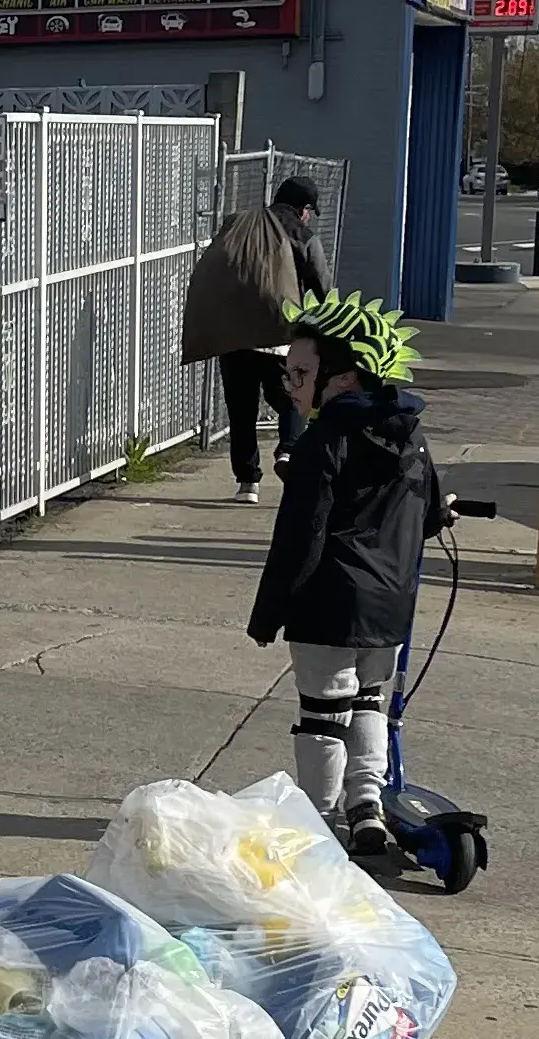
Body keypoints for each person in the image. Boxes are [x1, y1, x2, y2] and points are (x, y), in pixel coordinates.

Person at [247, 289, 441, 865]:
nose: (293, 386)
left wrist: (269, 612)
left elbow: (299, 537)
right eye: (289, 374)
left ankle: (318, 819)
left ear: (345, 376)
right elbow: (430, 515)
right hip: (389, 606)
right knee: (369, 702)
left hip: (328, 600)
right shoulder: (411, 434)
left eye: (302, 372)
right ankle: (366, 808)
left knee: (322, 712)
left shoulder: (323, 442)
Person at [178, 174, 329, 507]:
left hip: (232, 335)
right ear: (303, 209)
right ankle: (288, 450)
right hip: (279, 334)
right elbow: (323, 288)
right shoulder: (302, 236)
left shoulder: (238, 225)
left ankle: (247, 483)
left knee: (241, 410)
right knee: (296, 397)